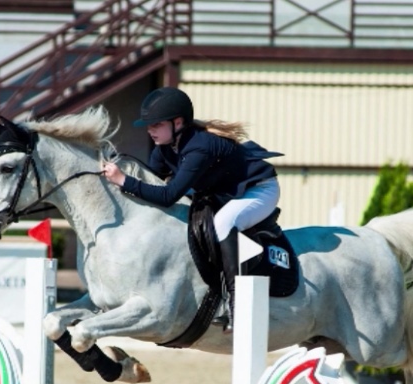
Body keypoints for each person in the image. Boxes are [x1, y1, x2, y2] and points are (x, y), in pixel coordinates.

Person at [103, 86, 282, 333]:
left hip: (258, 189)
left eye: (156, 124)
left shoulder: (200, 147)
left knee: (224, 223)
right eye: (149, 125)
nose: (150, 129)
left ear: (177, 122)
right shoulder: (165, 147)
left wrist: (124, 180)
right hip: (221, 191)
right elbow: (154, 181)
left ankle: (237, 304)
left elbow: (167, 195)